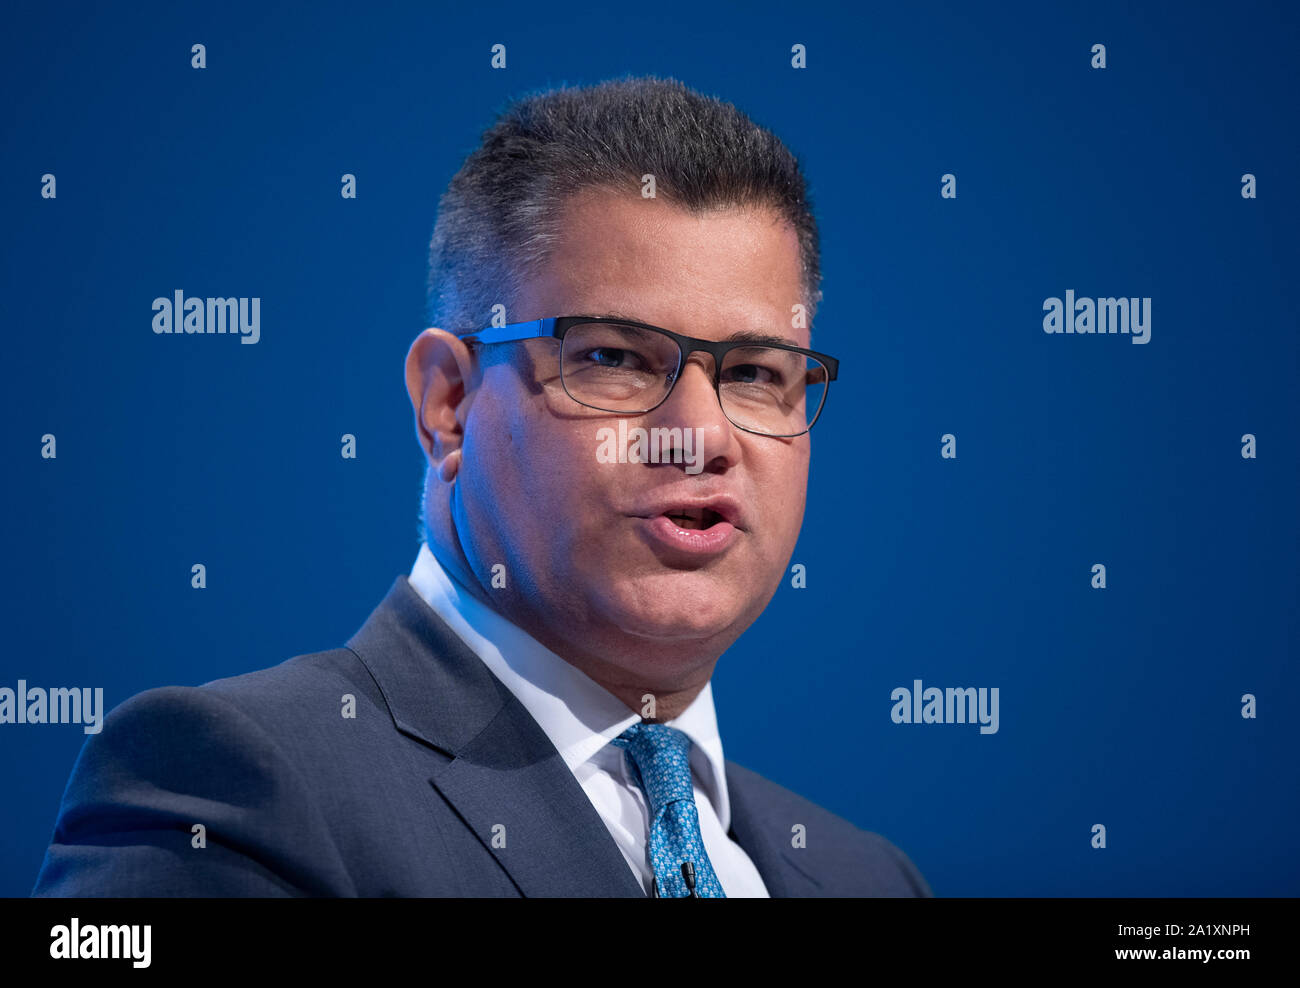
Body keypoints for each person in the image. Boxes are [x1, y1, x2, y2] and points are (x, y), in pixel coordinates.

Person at [33, 76, 931, 898]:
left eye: (755, 373)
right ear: (450, 405)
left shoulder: (870, 877)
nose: (701, 436)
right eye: (613, 357)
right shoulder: (228, 785)